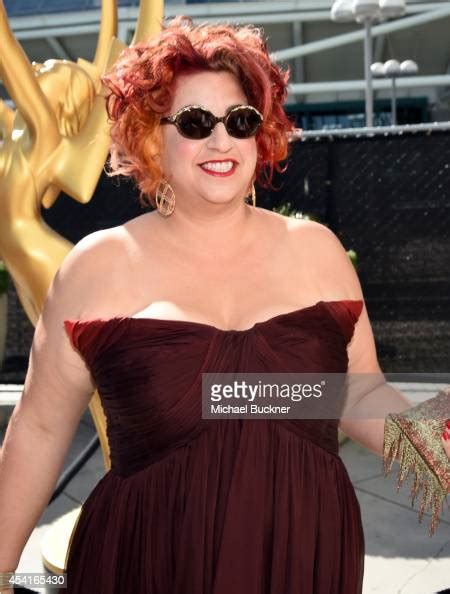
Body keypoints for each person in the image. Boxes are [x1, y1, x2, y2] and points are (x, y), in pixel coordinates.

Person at [0, 16, 449, 594]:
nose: (220, 141)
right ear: (149, 135)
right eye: (194, 122)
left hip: (304, 559)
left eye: (239, 122)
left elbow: (351, 391)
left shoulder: (316, 252)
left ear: (260, 135)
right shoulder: (97, 266)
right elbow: (37, 429)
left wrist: (437, 442)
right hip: (148, 563)